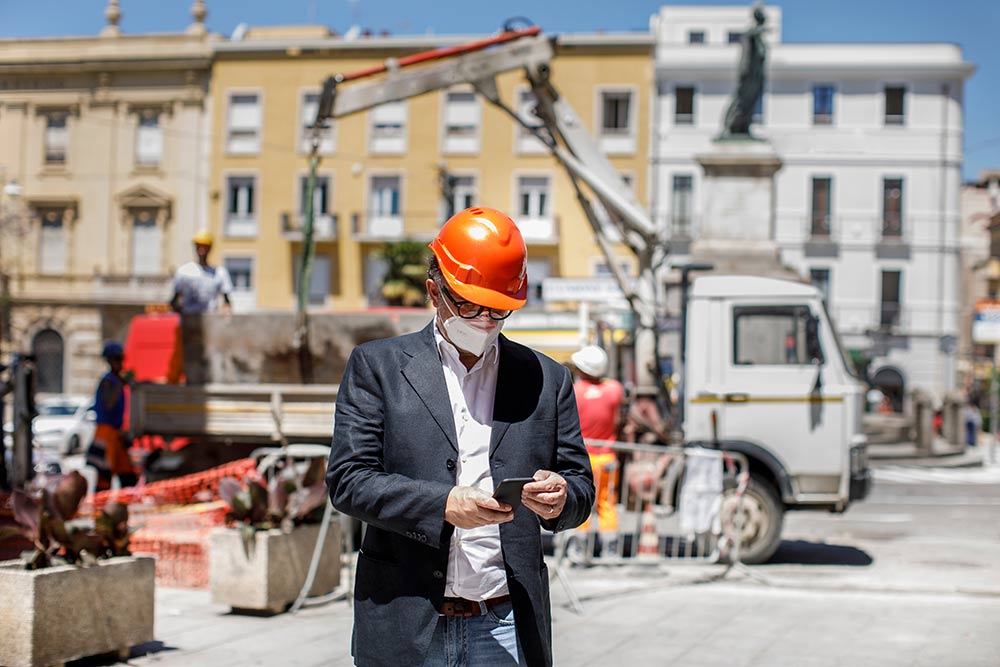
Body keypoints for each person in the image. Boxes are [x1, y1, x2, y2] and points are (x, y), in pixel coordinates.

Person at [327, 207, 595, 667]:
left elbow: (582, 488)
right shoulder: (378, 368)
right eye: (469, 304)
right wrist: (442, 505)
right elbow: (349, 481)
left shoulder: (547, 379)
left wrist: (563, 496)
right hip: (406, 621)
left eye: (499, 308)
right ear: (434, 292)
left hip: (506, 623)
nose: (486, 321)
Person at [167, 230, 233, 383]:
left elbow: (227, 301)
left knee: (210, 361)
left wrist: (225, 318)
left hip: (209, 326)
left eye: (205, 246)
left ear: (210, 248)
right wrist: (182, 311)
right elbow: (174, 301)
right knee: (179, 359)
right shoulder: (184, 272)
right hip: (187, 326)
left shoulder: (219, 273)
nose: (202, 250)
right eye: (199, 246)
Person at [571, 345, 623, 533]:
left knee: (581, 501)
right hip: (607, 457)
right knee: (607, 502)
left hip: (583, 456)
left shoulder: (576, 391)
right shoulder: (614, 390)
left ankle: (579, 545)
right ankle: (609, 546)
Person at [85, 342, 137, 490]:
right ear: (110, 361)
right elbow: (109, 402)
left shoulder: (115, 381)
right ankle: (100, 508)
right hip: (105, 434)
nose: (120, 364)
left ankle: (123, 506)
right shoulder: (108, 381)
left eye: (121, 359)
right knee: (104, 475)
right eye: (117, 360)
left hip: (115, 434)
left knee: (127, 474)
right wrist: (121, 384)